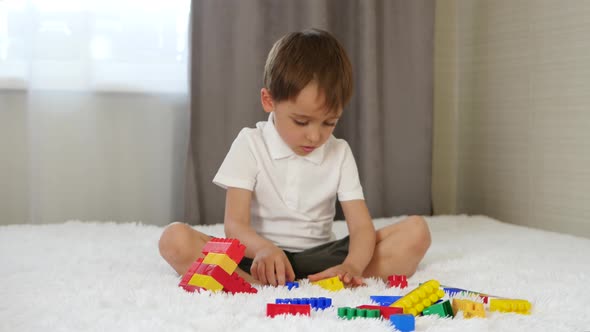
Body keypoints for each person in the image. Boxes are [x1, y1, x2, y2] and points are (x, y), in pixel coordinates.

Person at [158, 28, 431, 287]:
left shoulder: (340, 152)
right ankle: (251, 283)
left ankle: (331, 279)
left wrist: (353, 266)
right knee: (175, 239)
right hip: (257, 256)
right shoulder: (250, 143)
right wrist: (265, 249)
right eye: (301, 122)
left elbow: (361, 228)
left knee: (417, 232)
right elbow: (235, 225)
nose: (315, 136)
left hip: (322, 256)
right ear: (269, 101)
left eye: (329, 123)